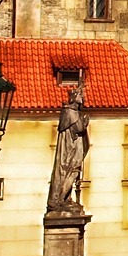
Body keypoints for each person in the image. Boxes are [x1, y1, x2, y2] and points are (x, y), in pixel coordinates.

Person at [46, 85, 90, 213]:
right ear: (75, 97)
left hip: (73, 147)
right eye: (80, 95)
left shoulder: (71, 112)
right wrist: (85, 122)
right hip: (70, 150)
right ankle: (60, 199)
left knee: (72, 171)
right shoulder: (70, 112)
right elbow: (79, 128)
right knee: (72, 171)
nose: (83, 97)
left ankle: (65, 198)